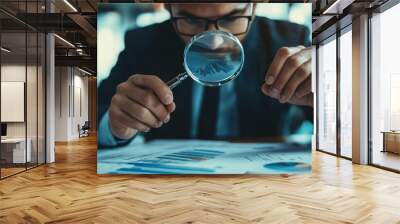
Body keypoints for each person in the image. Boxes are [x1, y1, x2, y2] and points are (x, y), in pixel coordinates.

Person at [98, 3, 313, 147]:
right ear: (167, 7)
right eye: (191, 21)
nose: (214, 42)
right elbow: (97, 109)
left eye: (231, 18)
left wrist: (330, 94)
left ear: (254, 5)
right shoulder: (142, 43)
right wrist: (114, 124)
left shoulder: (291, 40)